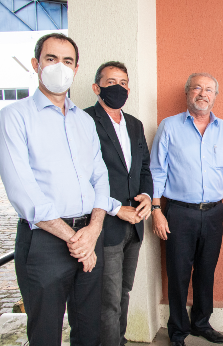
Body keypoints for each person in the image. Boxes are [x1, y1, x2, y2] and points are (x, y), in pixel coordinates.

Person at [0, 33, 117, 345]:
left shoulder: (84, 121)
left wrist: (92, 230)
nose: (59, 67)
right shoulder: (14, 117)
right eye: (51, 59)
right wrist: (76, 240)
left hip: (89, 236)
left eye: (68, 61)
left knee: (89, 330)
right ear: (36, 64)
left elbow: (100, 177)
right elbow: (23, 192)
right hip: (45, 244)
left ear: (76, 69)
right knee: (45, 334)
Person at [150, 73, 223, 346]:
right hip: (179, 213)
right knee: (178, 273)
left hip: (215, 213)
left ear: (215, 96)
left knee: (206, 270)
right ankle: (178, 331)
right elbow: (156, 171)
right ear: (187, 93)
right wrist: (156, 209)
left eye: (208, 90)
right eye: (197, 88)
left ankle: (202, 322)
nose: (202, 94)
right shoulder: (169, 127)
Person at [84, 61, 153, 346]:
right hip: (107, 226)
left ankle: (119, 341)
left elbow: (145, 168)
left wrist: (148, 197)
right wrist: (115, 208)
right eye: (111, 82)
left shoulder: (135, 125)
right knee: (108, 301)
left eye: (123, 82)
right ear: (96, 87)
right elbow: (82, 176)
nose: (119, 87)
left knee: (124, 291)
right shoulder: (85, 121)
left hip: (135, 227)